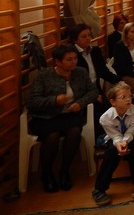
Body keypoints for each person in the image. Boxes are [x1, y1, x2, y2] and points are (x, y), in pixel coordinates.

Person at [27, 44, 98, 192]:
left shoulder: (80, 72)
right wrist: (54, 100)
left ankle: (65, 171)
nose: (73, 62)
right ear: (58, 62)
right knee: (52, 136)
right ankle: (47, 174)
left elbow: (92, 92)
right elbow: (32, 102)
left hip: (69, 115)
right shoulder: (44, 76)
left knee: (75, 131)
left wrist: (80, 103)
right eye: (69, 59)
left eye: (75, 58)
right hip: (46, 117)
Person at [91, 82, 134, 206]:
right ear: (113, 102)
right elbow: (114, 135)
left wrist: (125, 142)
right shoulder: (105, 118)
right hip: (115, 136)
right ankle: (99, 189)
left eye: (130, 96)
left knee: (133, 146)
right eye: (123, 97)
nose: (128, 99)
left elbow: (131, 132)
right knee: (112, 151)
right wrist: (119, 143)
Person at [70, 23, 121, 120]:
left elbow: (104, 72)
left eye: (89, 35)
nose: (88, 38)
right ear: (75, 39)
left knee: (117, 104)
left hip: (96, 89)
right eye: (83, 36)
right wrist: (93, 96)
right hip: (81, 94)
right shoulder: (72, 56)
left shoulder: (95, 51)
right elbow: (76, 82)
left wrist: (120, 81)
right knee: (101, 112)